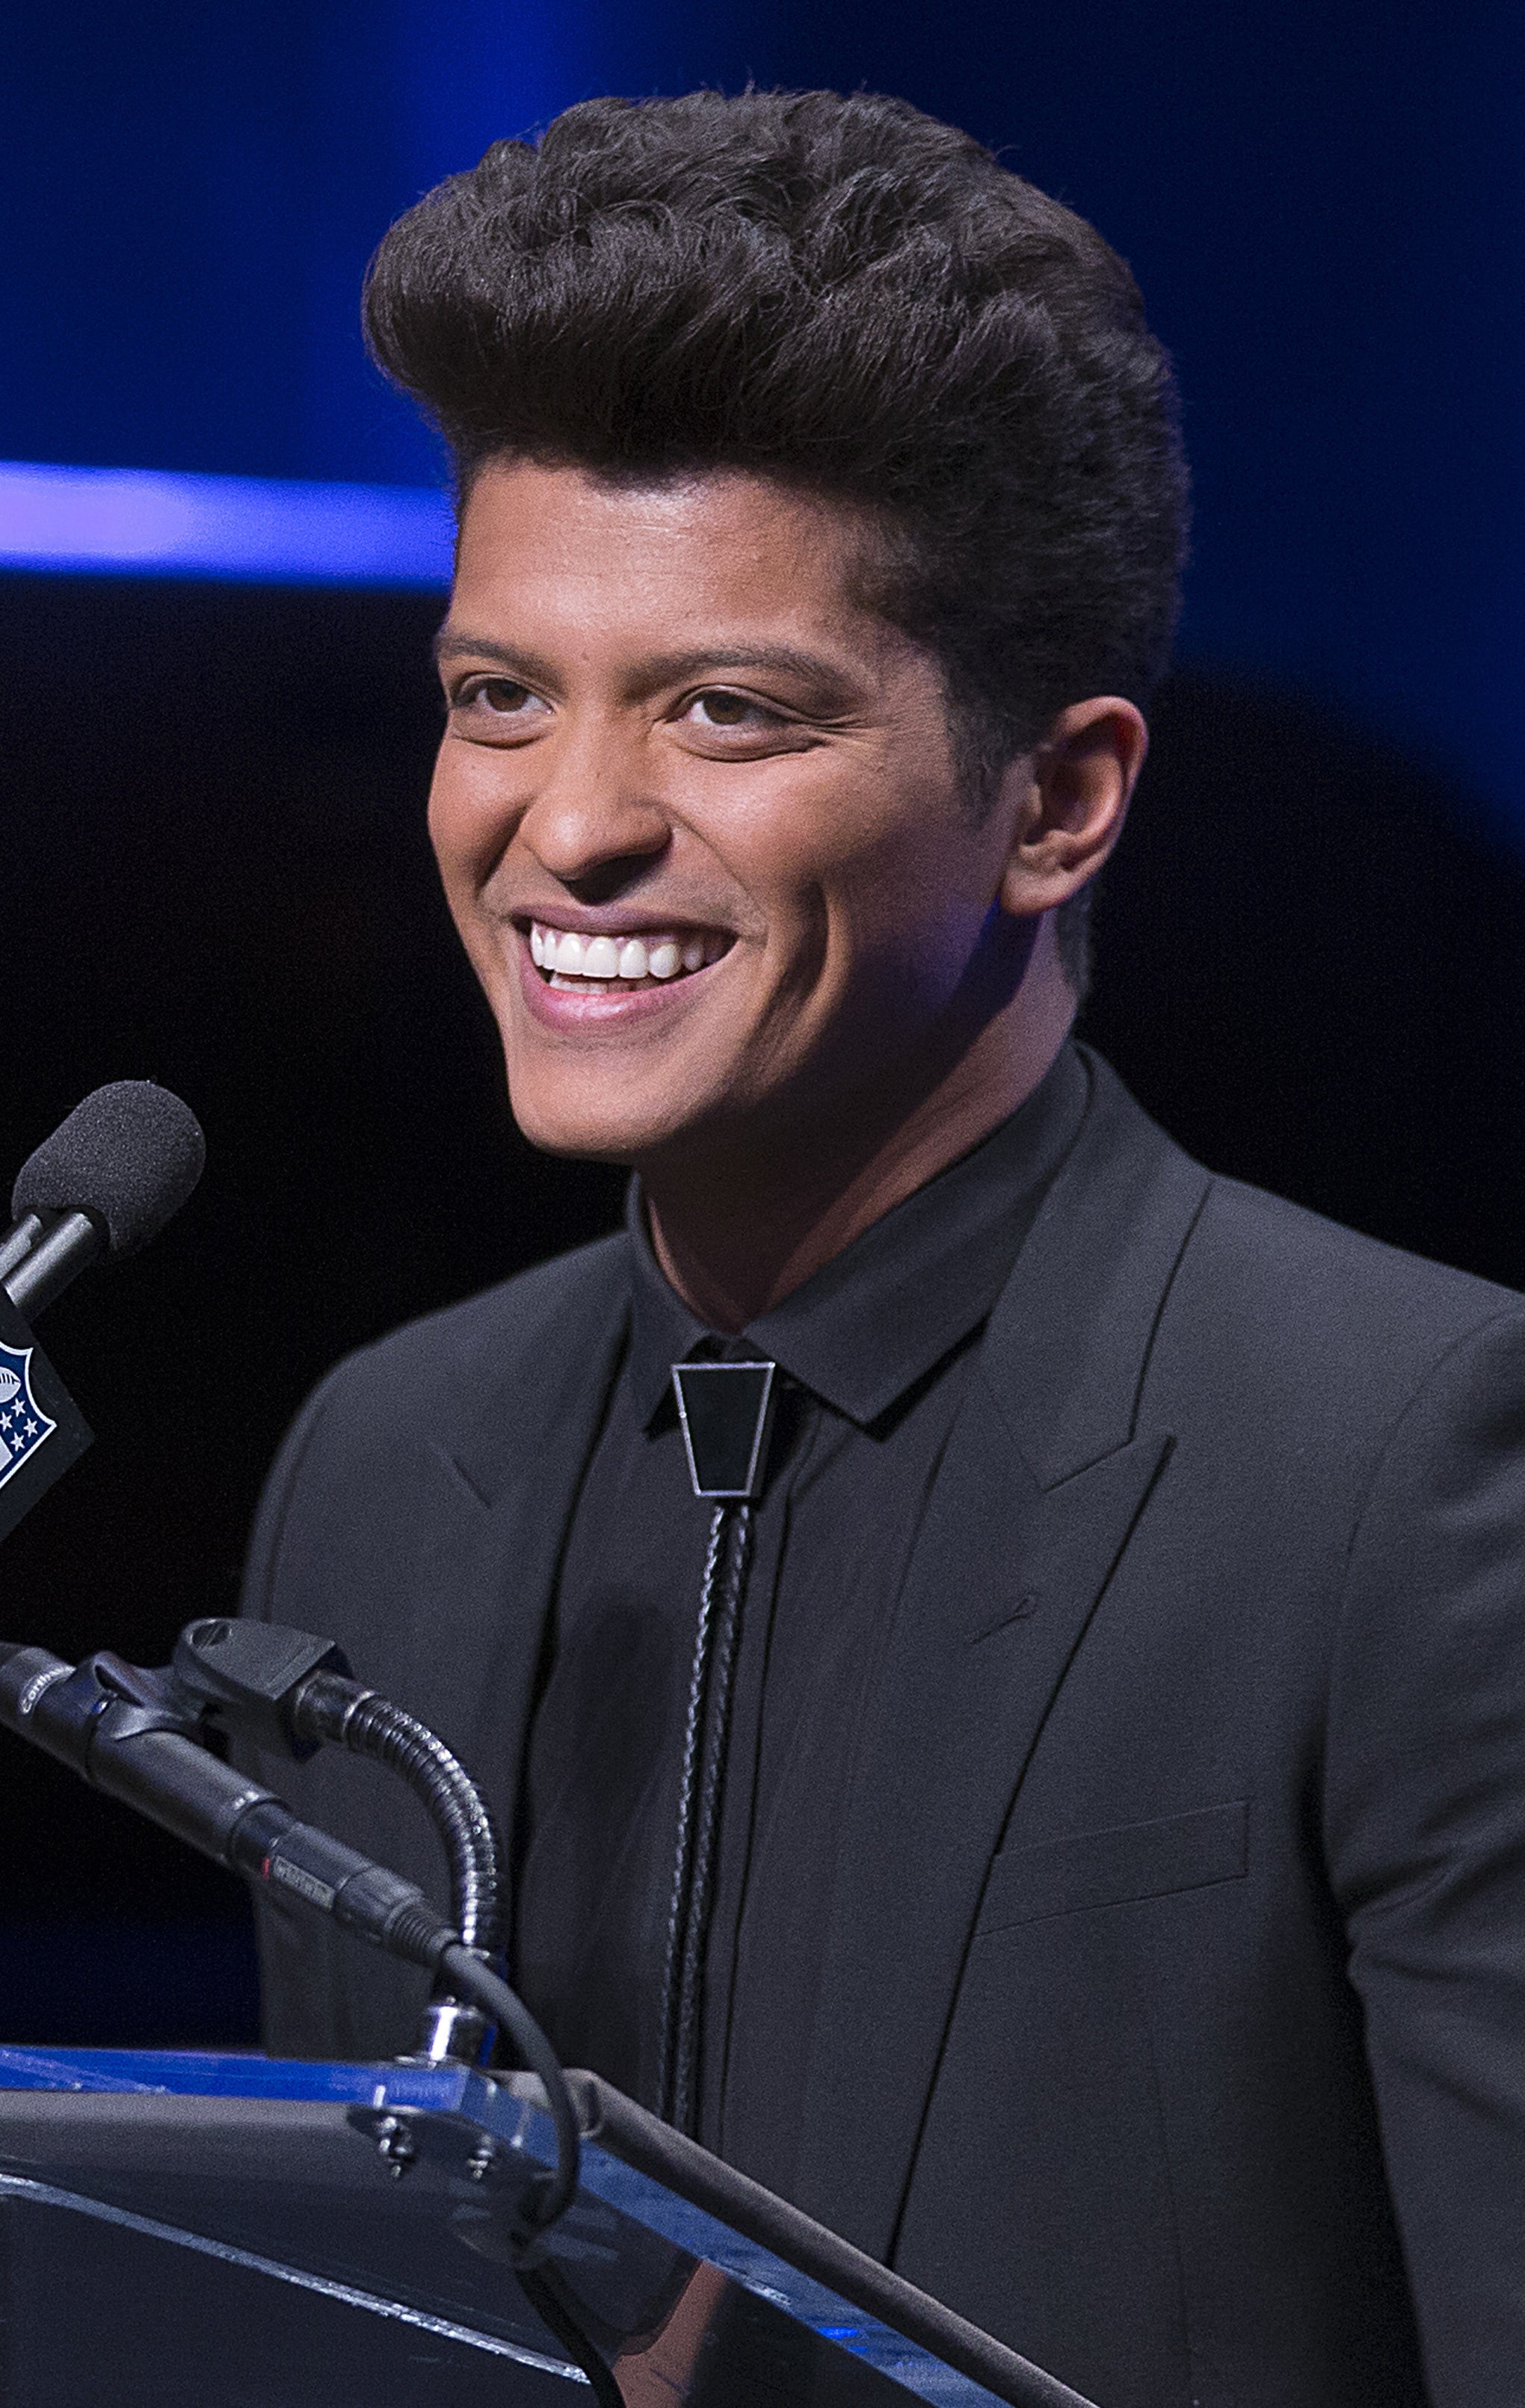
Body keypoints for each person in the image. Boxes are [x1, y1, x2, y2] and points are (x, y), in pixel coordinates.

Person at [240, 88, 1525, 2408]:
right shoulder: (382, 1453)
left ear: (1060, 801)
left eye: (727, 711)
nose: (573, 829)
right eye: (497, 696)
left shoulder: (1407, 1465)